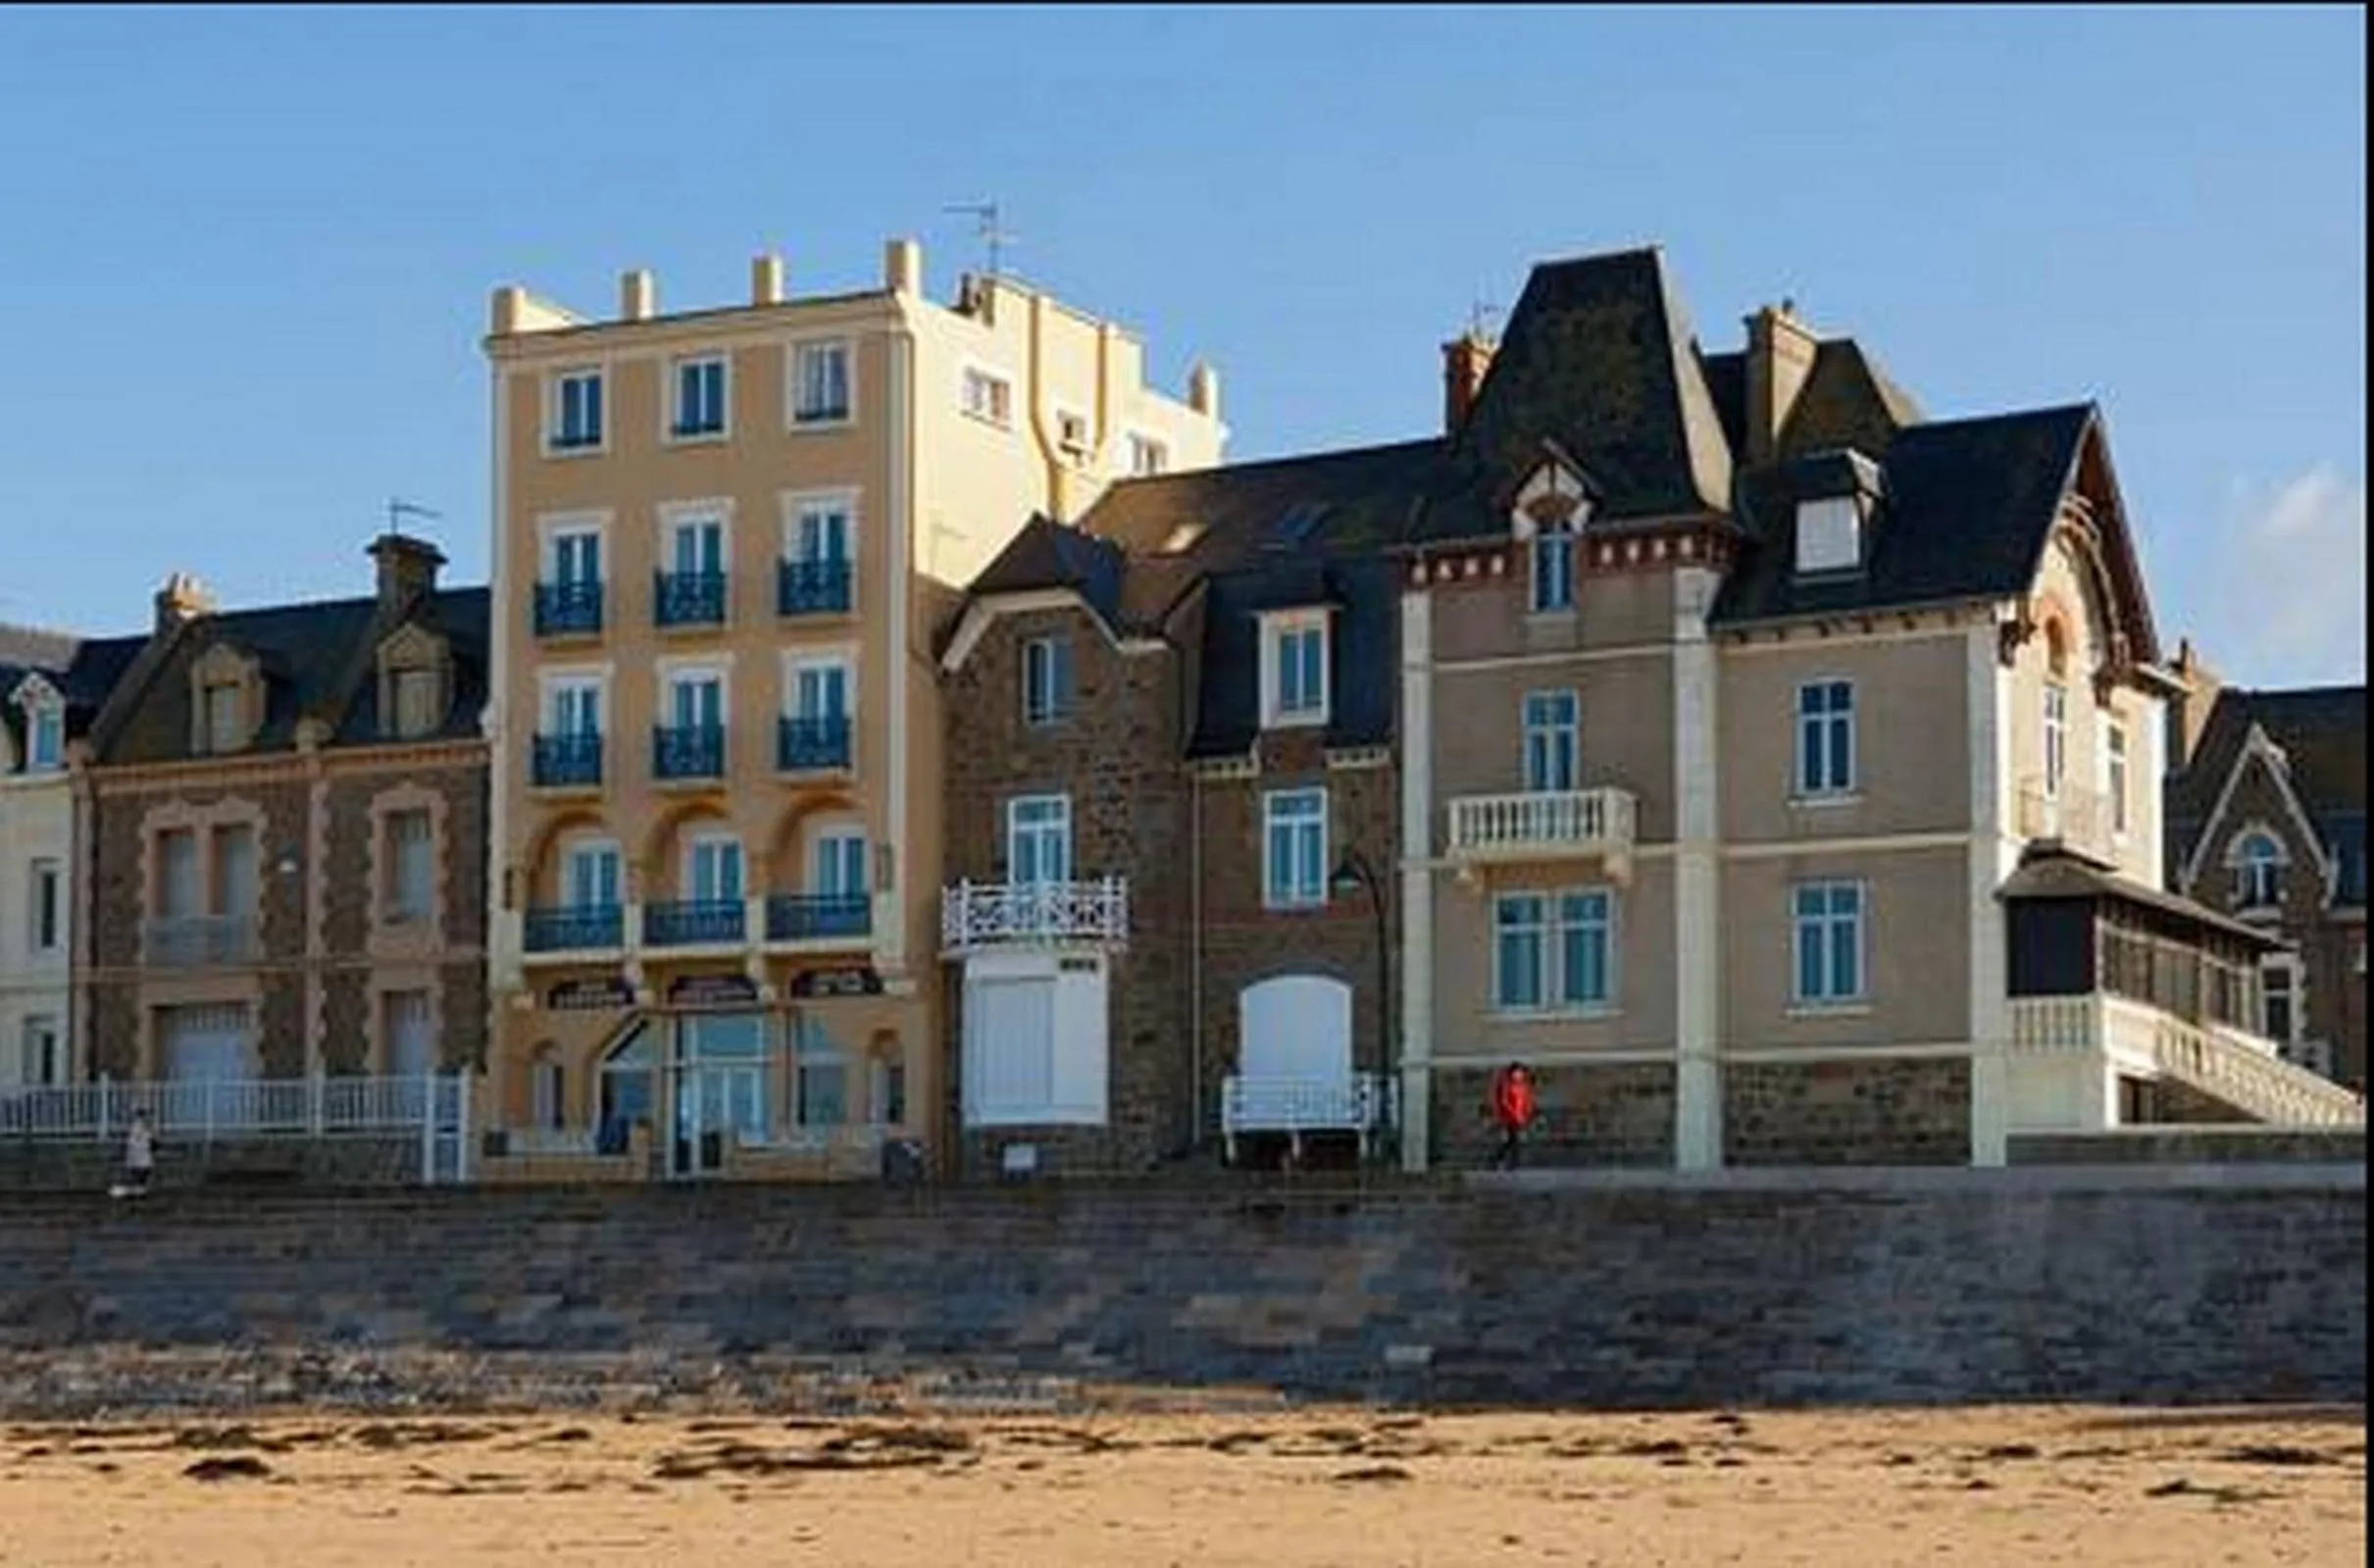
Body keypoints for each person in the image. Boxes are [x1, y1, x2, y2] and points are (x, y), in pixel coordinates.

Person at [1489, 1062, 1538, 1170]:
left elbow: (1527, 1101)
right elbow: (1504, 1101)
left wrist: (1527, 1114)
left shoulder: (1524, 1086)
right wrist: (1514, 1114)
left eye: (1521, 1073)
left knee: (1511, 1141)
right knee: (1513, 1140)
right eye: (1517, 1072)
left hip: (1519, 1118)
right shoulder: (1507, 1085)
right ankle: (1510, 1161)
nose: (1519, 1075)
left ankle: (1500, 1159)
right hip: (1509, 1118)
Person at [113, 1109, 156, 1198]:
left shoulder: (137, 1127)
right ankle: (137, 1190)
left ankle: (139, 1189)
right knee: (142, 1171)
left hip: (139, 1155)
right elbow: (148, 1138)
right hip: (140, 1155)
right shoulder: (140, 1126)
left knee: (143, 1171)